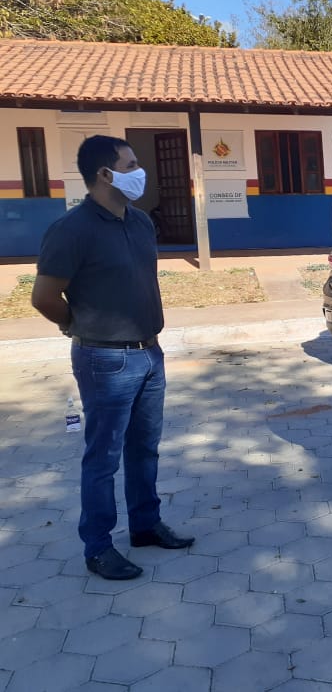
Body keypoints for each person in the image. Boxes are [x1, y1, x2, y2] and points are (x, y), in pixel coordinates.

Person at [30, 135, 194, 581]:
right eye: (131, 164)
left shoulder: (140, 223)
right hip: (104, 360)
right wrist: (77, 324)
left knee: (145, 448)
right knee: (103, 457)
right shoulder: (72, 230)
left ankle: (145, 524)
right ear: (105, 174)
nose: (140, 172)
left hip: (150, 353)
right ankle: (98, 546)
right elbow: (44, 297)